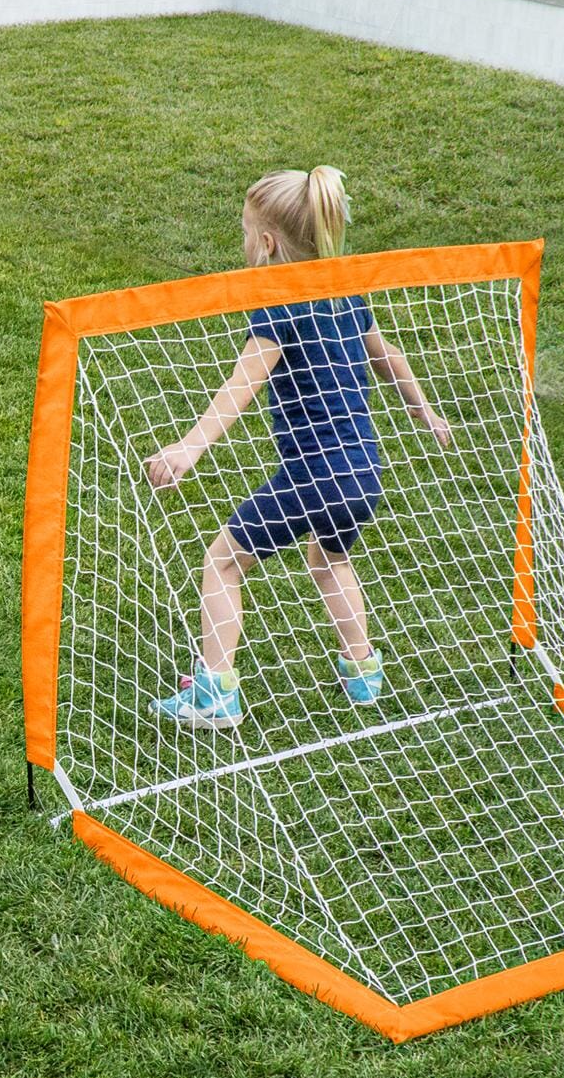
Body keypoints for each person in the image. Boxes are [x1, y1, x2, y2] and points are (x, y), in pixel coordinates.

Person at [145, 166, 450, 726]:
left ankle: (216, 692)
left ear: (267, 245)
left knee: (222, 561)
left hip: (315, 472)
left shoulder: (276, 306)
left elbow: (240, 387)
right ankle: (363, 671)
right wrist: (421, 407)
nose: (241, 244)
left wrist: (187, 449)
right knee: (330, 561)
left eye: (244, 234)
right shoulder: (343, 293)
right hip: (364, 472)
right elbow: (387, 355)